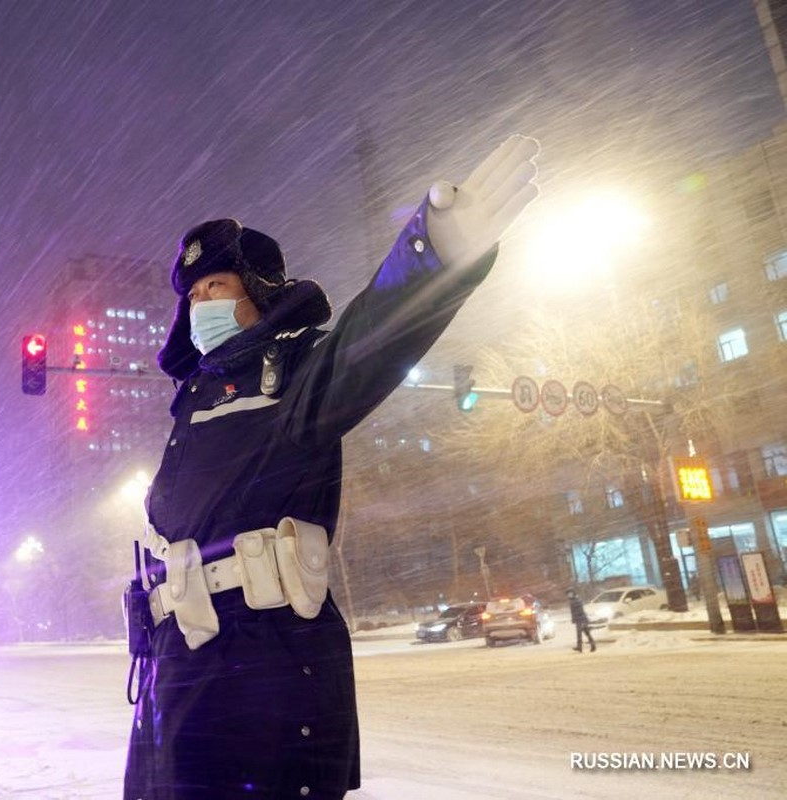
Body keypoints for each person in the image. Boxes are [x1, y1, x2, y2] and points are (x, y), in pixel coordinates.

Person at [123, 135, 540, 799]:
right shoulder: (190, 405)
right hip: (178, 665)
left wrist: (434, 255)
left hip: (267, 660)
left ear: (258, 290)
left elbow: (368, 339)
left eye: (218, 283)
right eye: (195, 290)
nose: (201, 301)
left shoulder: (292, 376)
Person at [567, 588, 596, 653]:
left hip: (580, 619)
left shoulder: (576, 601)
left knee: (580, 634)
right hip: (581, 619)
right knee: (586, 633)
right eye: (568, 594)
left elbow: (577, 611)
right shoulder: (575, 600)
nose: (569, 595)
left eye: (570, 594)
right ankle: (592, 645)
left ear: (573, 593)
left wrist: (576, 619)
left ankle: (580, 647)